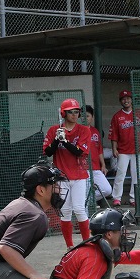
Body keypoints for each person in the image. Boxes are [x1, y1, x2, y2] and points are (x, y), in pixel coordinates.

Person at [43, 98, 92, 248]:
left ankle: (87, 244)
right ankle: (69, 246)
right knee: (65, 211)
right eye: (70, 112)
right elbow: (48, 151)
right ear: (64, 114)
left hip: (79, 175)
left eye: (76, 112)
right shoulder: (54, 130)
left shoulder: (84, 130)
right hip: (61, 176)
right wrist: (57, 140)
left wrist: (64, 141)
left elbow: (79, 152)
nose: (74, 115)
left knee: (79, 209)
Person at [109, 90, 140, 207]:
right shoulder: (117, 116)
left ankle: (133, 198)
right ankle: (116, 198)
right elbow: (114, 135)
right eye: (123, 99)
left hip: (138, 150)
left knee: (136, 175)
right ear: (120, 101)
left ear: (131, 100)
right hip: (123, 150)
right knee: (120, 174)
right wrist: (114, 148)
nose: (126, 100)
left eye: (128, 98)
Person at [85, 105, 112, 205]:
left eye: (87, 116)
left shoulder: (95, 131)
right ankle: (84, 206)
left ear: (92, 117)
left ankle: (85, 202)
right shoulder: (77, 131)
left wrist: (103, 165)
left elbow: (99, 150)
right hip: (83, 168)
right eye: (83, 116)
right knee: (85, 191)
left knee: (107, 189)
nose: (85, 118)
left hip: (96, 167)